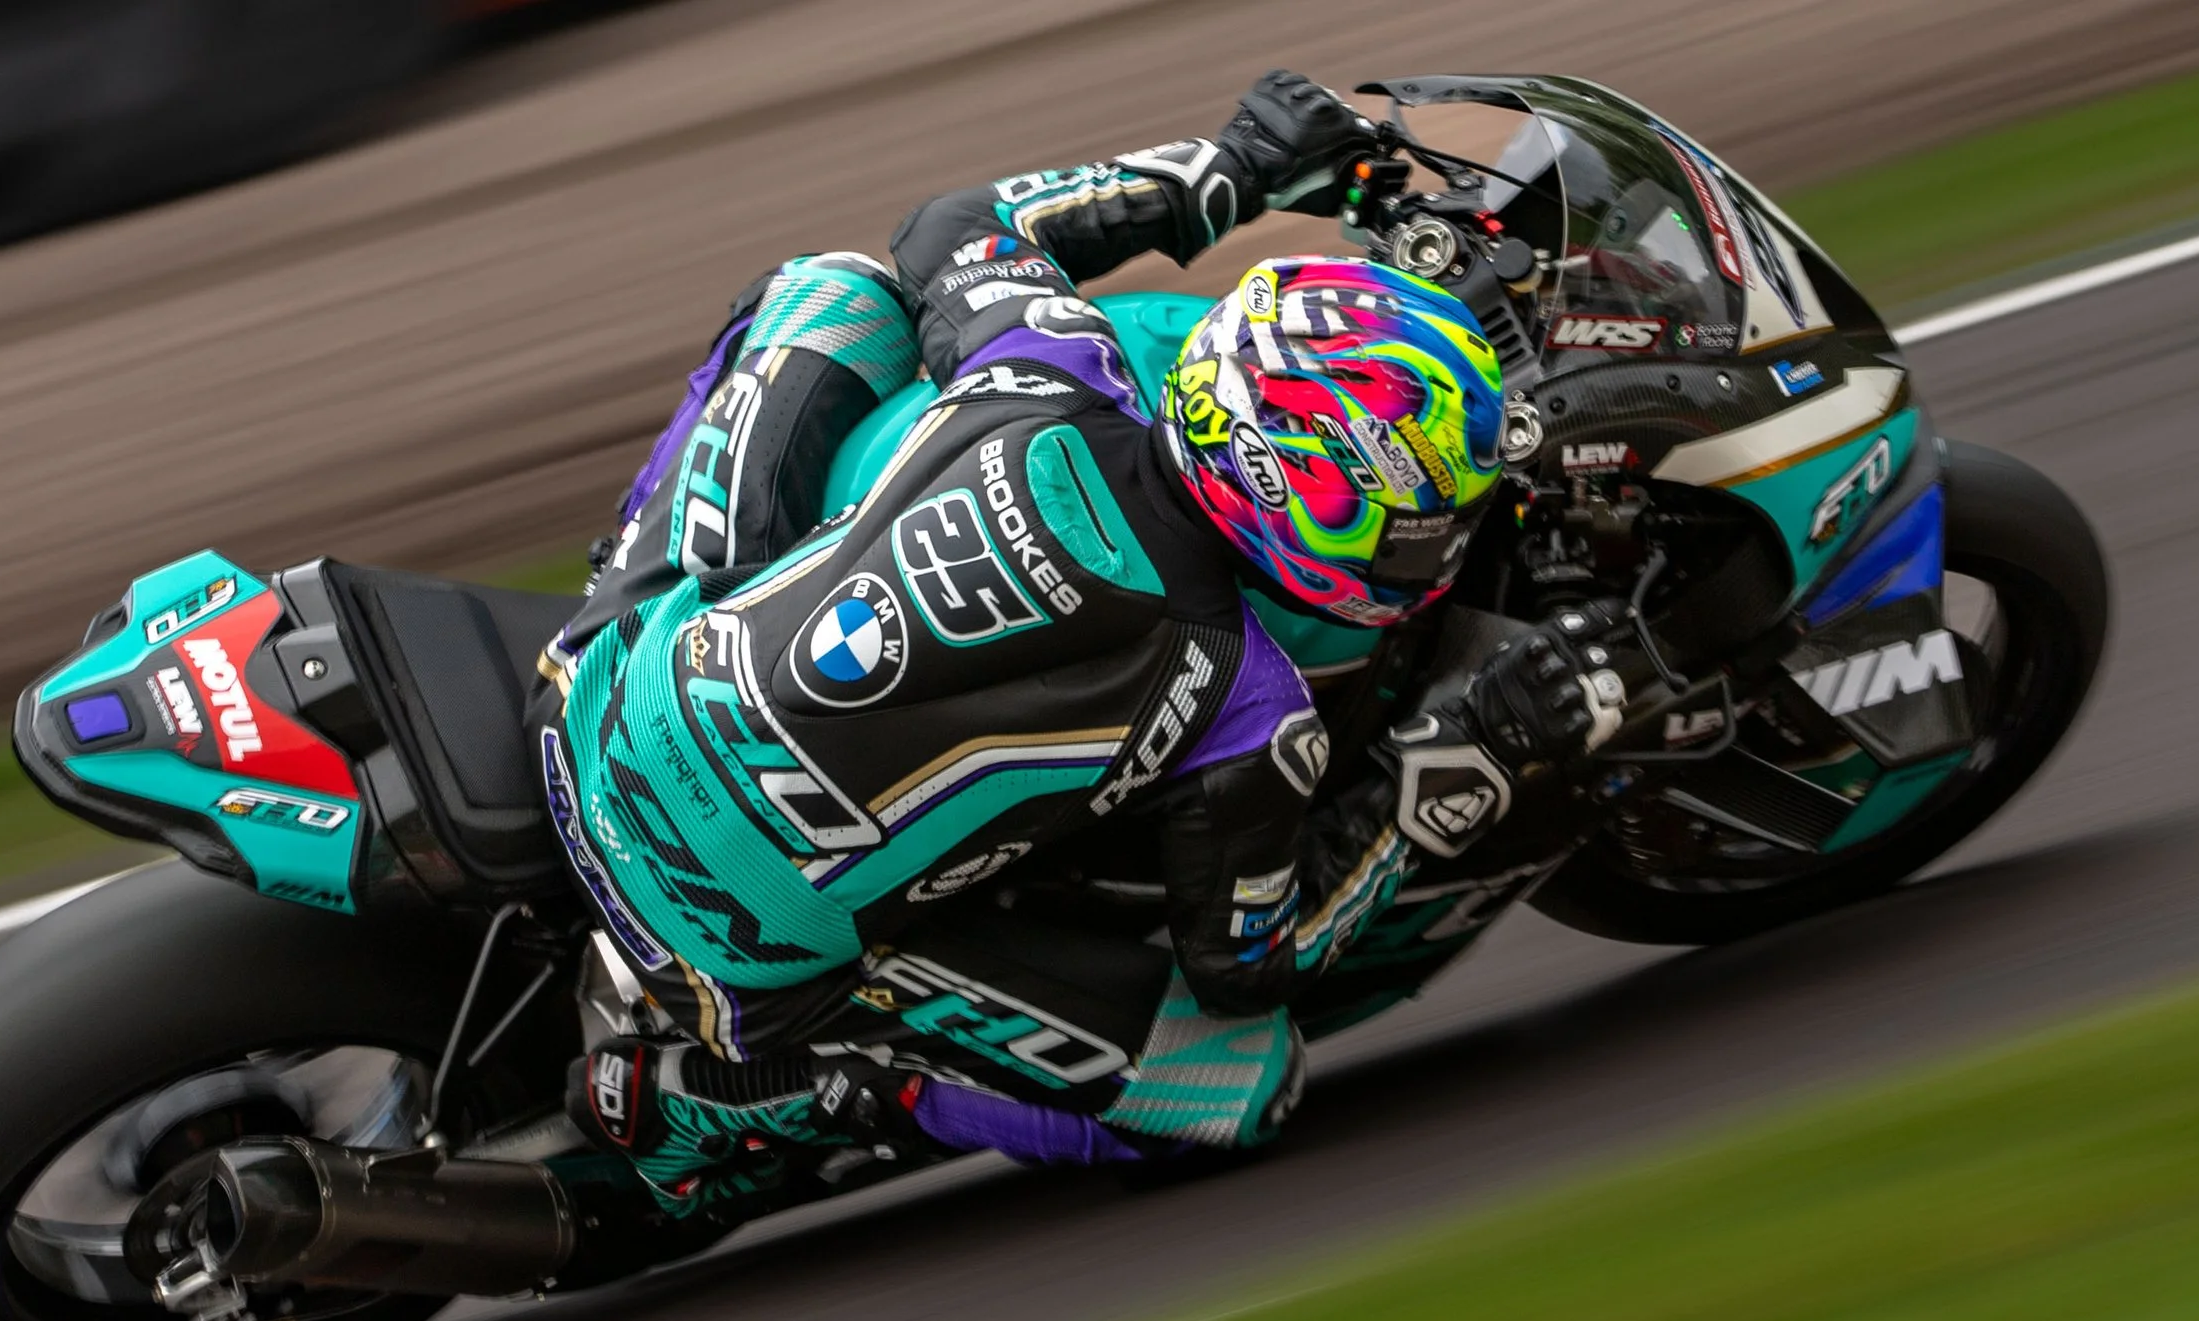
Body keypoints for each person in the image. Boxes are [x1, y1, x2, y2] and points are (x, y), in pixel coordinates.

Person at [535, 71, 1616, 1218]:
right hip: (726, 951)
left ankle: (632, 587)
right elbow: (1248, 963)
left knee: (838, 289)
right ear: (1300, 504)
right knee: (1234, 1085)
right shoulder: (1248, 701)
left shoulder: (1048, 362)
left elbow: (951, 228)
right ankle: (747, 1091)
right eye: (1416, 522)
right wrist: (1459, 760)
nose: (1434, 549)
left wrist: (1230, 169)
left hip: (590, 697)